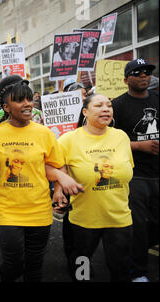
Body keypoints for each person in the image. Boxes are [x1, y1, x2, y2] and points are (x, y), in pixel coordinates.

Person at [0, 76, 82, 282]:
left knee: (34, 266)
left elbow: (58, 165)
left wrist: (58, 191)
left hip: (39, 209)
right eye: (20, 100)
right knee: (13, 264)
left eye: (29, 99)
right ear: (6, 107)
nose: (27, 104)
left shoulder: (44, 133)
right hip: (8, 209)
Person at [55, 94, 134, 281]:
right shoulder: (68, 140)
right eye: (98, 105)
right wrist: (59, 189)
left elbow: (127, 171)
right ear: (85, 112)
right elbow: (57, 166)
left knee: (121, 269)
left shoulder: (121, 137)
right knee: (81, 270)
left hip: (119, 218)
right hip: (84, 221)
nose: (106, 109)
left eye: (109, 105)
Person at [111, 58, 158, 282]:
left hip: (157, 173)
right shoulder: (118, 105)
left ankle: (129, 254)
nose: (143, 76)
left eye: (147, 72)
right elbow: (108, 141)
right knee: (138, 226)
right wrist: (140, 145)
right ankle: (138, 271)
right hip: (134, 174)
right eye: (137, 73)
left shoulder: (158, 99)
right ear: (125, 79)